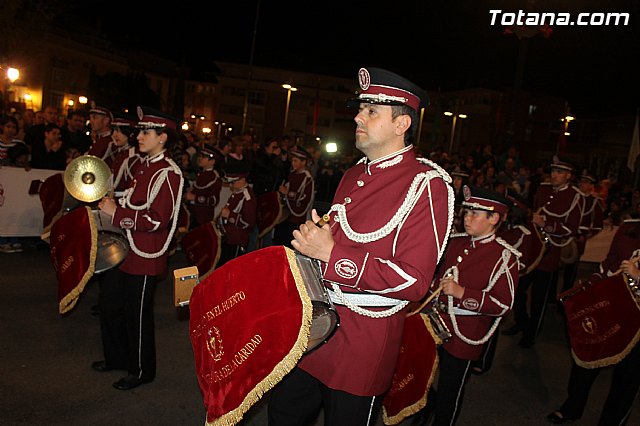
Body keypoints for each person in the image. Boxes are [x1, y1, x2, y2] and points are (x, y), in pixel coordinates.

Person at [267, 67, 454, 426]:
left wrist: (331, 254)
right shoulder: (354, 173)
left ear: (401, 125)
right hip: (316, 327)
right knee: (283, 414)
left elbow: (414, 281)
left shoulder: (427, 184)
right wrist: (311, 245)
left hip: (363, 343)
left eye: (371, 111)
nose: (357, 116)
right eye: (360, 109)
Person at [411, 185, 520, 425]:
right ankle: (424, 409)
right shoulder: (455, 242)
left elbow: (503, 304)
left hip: (465, 331)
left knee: (451, 388)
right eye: (466, 211)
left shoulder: (504, 256)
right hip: (434, 323)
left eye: (475, 213)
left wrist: (462, 293)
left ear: (494, 219)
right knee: (420, 376)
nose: (466, 218)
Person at [94, 106, 183, 390]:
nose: (139, 136)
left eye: (146, 132)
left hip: (145, 253)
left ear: (163, 138)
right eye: (140, 131)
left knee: (138, 315)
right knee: (109, 305)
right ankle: (117, 357)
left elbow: (157, 220)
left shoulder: (169, 173)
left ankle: (142, 370)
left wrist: (116, 213)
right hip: (124, 247)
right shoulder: (143, 165)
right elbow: (133, 202)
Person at [546, 216, 640, 425]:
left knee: (627, 377)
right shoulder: (628, 228)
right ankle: (572, 407)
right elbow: (610, 263)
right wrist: (587, 288)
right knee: (587, 358)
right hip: (613, 307)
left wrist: (638, 276)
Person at [503, 156, 583, 347]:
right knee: (519, 291)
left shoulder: (575, 196)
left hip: (550, 251)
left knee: (539, 298)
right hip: (532, 248)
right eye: (553, 171)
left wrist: (548, 224)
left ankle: (531, 333)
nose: (554, 175)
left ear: (569, 176)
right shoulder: (543, 189)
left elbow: (572, 228)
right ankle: (521, 322)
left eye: (559, 172)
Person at [273, 145, 315, 248]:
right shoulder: (292, 174)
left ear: (303, 162)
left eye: (296, 161)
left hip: (297, 219)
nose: (293, 163)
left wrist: (288, 193)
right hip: (286, 216)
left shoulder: (308, 179)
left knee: (290, 245)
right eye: (292, 161)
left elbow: (305, 199)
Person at [217, 161, 257, 266]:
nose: (231, 185)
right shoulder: (237, 192)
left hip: (237, 240)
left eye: (233, 182)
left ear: (242, 180)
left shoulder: (247, 197)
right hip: (229, 238)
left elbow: (249, 223)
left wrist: (229, 215)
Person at [184, 144, 222, 228]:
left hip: (203, 217)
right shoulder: (201, 174)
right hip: (193, 214)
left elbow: (214, 200)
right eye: (200, 156)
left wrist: (195, 198)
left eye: (204, 157)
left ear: (212, 162)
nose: (200, 159)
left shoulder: (214, 178)